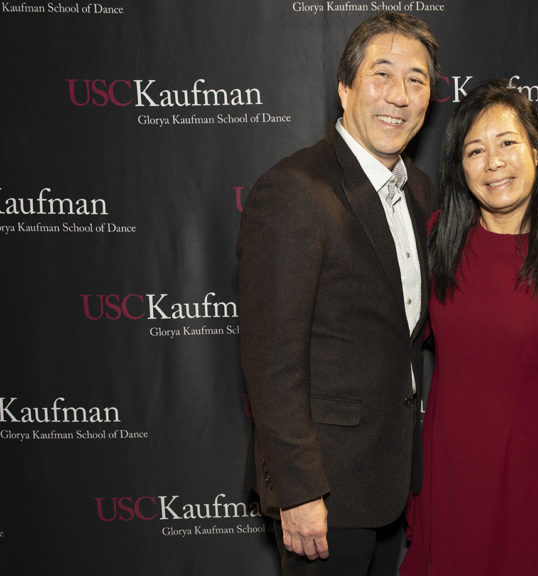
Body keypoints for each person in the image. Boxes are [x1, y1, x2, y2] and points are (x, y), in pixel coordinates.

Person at [236, 12, 440, 576]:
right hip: (323, 492)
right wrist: (298, 492)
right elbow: (272, 361)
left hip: (391, 478)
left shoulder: (418, 188)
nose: (399, 96)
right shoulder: (295, 190)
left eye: (417, 80)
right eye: (382, 75)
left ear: (429, 101)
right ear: (345, 88)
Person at [401, 80, 538, 576]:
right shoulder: (437, 240)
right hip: (448, 474)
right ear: (460, 169)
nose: (493, 162)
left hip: (531, 481)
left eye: (507, 143)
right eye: (474, 151)